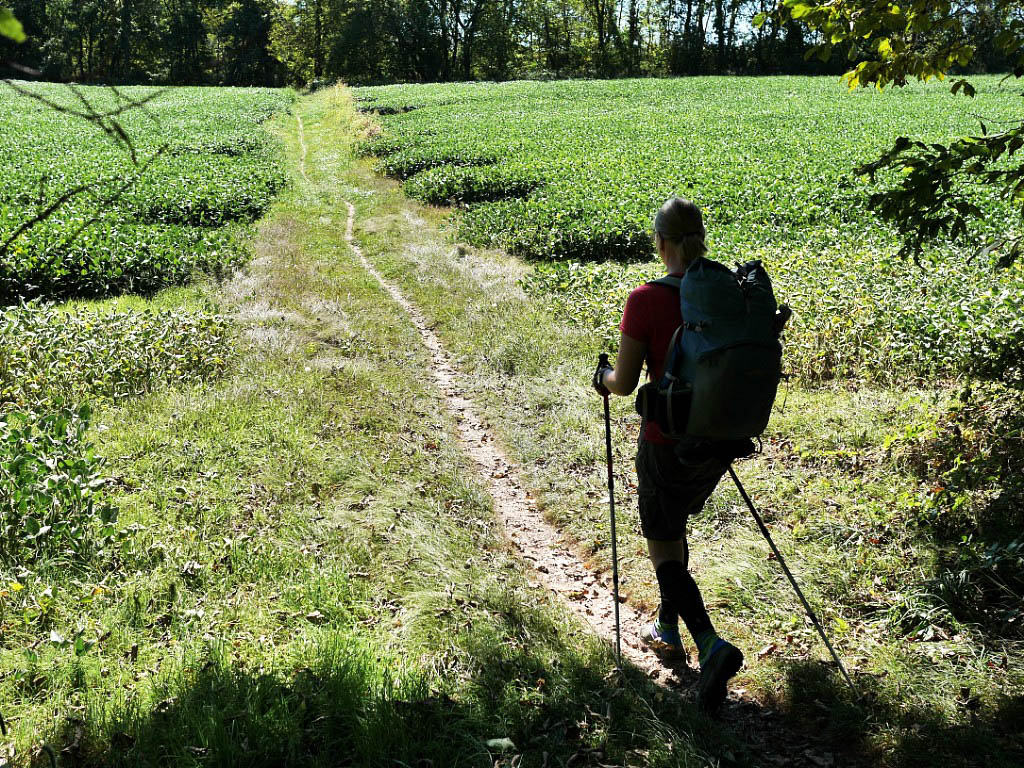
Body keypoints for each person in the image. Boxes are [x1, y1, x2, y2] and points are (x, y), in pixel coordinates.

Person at [592, 196, 744, 712]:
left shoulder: (645, 299)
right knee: (675, 529)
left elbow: (625, 382)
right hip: (719, 442)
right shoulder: (725, 291)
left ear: (660, 244)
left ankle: (710, 645)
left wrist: (603, 376)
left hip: (665, 442)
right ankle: (667, 628)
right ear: (700, 237)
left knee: (662, 548)